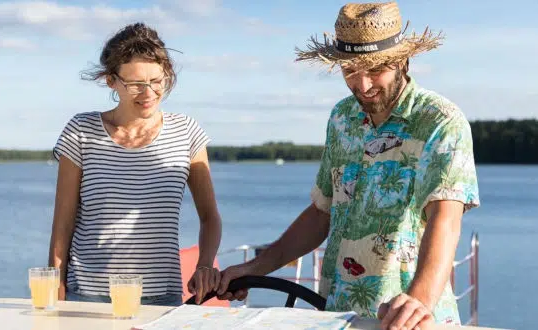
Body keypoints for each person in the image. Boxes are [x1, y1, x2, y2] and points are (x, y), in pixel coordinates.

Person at [217, 2, 480, 329]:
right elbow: (322, 211)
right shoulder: (342, 118)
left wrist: (419, 300)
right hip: (336, 315)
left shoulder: (440, 121)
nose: (363, 85)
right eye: (350, 70)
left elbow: (445, 218)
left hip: (410, 318)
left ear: (401, 60)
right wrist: (256, 267)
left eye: (374, 70)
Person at [48, 22, 222, 306]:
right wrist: (55, 284)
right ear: (111, 80)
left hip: (161, 297)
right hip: (88, 296)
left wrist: (204, 265)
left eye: (157, 81)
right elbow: (63, 223)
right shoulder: (81, 130)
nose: (149, 93)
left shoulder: (187, 131)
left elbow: (210, 217)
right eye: (135, 84)